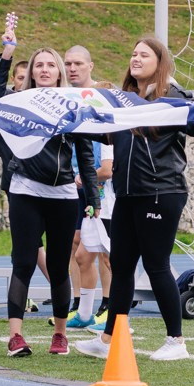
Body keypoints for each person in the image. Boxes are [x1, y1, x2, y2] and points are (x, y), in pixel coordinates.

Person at [0, 43, 99, 359]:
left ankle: (60, 335)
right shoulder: (17, 103)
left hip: (63, 195)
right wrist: (4, 152)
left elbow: (85, 154)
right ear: (31, 73)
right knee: (24, 263)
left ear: (59, 72)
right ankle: (15, 336)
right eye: (39, 65)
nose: (44, 69)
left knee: (59, 267)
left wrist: (93, 197)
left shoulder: (73, 105)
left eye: (50, 65)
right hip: (24, 192)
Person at [99, 35, 194, 361]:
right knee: (121, 266)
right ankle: (109, 339)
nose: (135, 59)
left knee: (156, 264)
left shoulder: (172, 95)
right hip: (127, 192)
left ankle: (176, 341)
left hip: (161, 191)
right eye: (133, 54)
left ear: (159, 62)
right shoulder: (124, 99)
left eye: (143, 55)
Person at [59, 42, 113, 328]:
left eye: (78, 63)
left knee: (105, 251)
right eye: (68, 63)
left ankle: (110, 305)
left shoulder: (100, 99)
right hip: (72, 183)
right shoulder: (65, 98)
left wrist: (91, 174)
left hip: (98, 186)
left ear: (90, 65)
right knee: (77, 246)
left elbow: (109, 154)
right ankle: (80, 305)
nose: (72, 68)